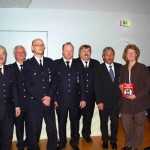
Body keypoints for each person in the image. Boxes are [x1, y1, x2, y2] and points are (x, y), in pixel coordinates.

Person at [23, 38, 57, 150]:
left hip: (49, 102)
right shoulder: (27, 64)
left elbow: (54, 81)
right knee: (34, 130)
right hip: (35, 103)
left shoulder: (50, 62)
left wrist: (49, 97)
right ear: (32, 48)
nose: (40, 47)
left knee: (52, 129)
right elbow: (28, 85)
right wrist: (42, 99)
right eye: (37, 45)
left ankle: (52, 147)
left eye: (42, 45)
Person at [54, 42, 86, 150]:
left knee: (75, 123)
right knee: (61, 123)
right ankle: (62, 142)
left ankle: (74, 142)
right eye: (67, 50)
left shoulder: (78, 63)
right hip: (60, 100)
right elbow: (53, 83)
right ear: (62, 51)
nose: (69, 52)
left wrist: (83, 98)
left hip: (75, 100)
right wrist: (54, 99)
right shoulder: (56, 64)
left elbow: (82, 82)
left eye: (71, 50)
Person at [119, 44, 150, 150]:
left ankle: (136, 146)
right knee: (126, 125)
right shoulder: (122, 68)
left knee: (139, 125)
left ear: (136, 54)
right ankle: (129, 144)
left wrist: (136, 95)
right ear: (125, 55)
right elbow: (120, 82)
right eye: (128, 52)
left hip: (139, 101)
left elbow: (147, 87)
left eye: (133, 52)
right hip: (125, 102)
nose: (131, 54)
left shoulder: (143, 68)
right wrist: (120, 86)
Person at [94, 47, 122, 150]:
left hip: (116, 102)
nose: (109, 57)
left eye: (111, 54)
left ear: (114, 56)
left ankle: (113, 140)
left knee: (115, 122)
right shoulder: (98, 68)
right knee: (104, 122)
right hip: (103, 102)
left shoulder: (120, 67)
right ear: (103, 56)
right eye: (107, 55)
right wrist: (99, 102)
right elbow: (96, 86)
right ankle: (105, 140)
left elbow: (123, 84)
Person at [77, 44, 100, 143]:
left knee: (88, 118)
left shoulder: (96, 63)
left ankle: (86, 135)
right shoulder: (74, 63)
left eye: (88, 51)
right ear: (79, 53)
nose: (86, 53)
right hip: (76, 97)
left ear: (90, 53)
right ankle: (75, 136)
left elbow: (99, 81)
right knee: (75, 118)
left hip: (91, 97)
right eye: (83, 51)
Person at [0, 45, 21, 150]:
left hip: (9, 111)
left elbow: (14, 90)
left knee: (7, 138)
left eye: (3, 53)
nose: (1, 55)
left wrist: (17, 106)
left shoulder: (10, 70)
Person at [11, 45, 30, 150]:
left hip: (30, 104)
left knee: (30, 126)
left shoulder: (30, 66)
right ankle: (21, 144)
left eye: (23, 52)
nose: (21, 54)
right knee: (19, 126)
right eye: (18, 52)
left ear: (25, 54)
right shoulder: (10, 68)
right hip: (17, 104)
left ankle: (29, 142)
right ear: (14, 55)